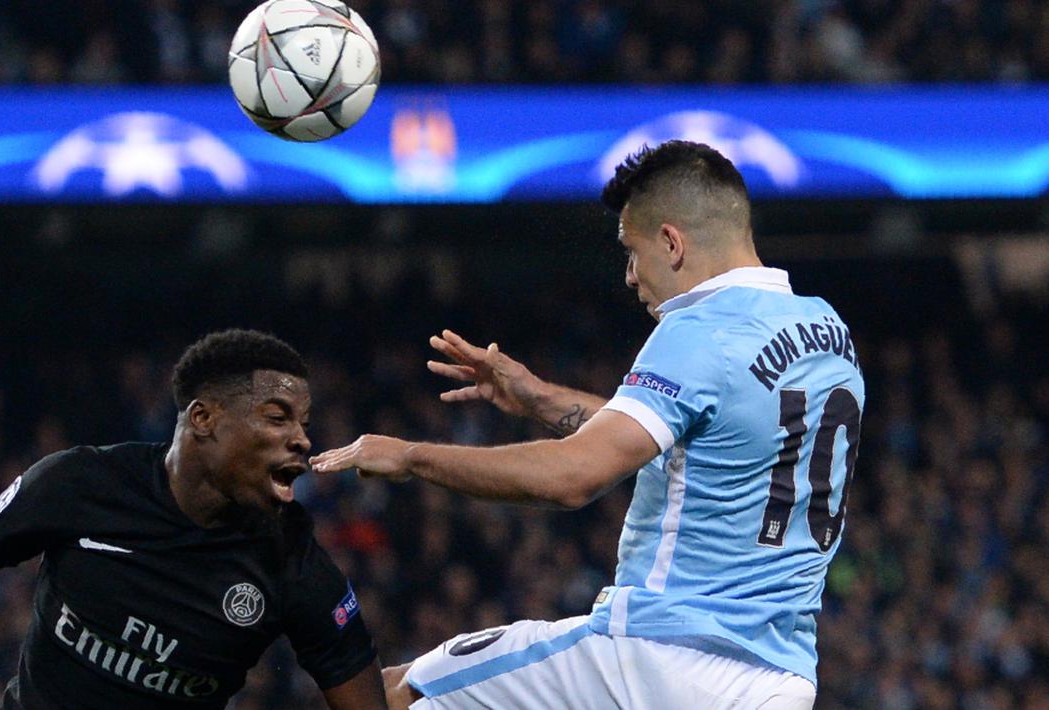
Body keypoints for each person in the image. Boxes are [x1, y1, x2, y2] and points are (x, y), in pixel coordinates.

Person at [312, 141, 865, 709]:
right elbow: (701, 442)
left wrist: (410, 458)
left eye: (632, 250)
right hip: (780, 682)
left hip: (659, 660)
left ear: (671, 243)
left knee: (391, 694)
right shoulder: (826, 330)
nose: (629, 275)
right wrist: (541, 399)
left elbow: (571, 478)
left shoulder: (699, 331)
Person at [0, 330, 386, 710]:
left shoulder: (296, 565)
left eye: (304, 422)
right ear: (203, 419)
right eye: (278, 417)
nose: (302, 438)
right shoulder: (81, 484)